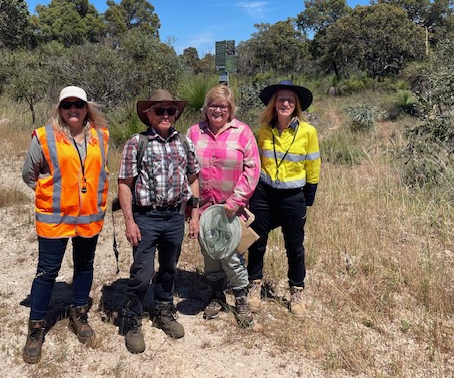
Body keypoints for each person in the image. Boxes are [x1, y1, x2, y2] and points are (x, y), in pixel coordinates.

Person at [21, 86, 110, 364]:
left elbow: (102, 172)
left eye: (79, 105)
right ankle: (36, 328)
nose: (73, 109)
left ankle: (79, 313)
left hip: (89, 217)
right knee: (47, 272)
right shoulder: (45, 136)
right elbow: (29, 174)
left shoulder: (100, 136)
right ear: (60, 108)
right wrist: (54, 195)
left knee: (85, 266)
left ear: (87, 108)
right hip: (55, 217)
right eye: (67, 105)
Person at [117, 89, 201, 354]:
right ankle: (132, 317)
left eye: (170, 111)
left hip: (175, 215)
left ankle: (164, 309)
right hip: (147, 217)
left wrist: (194, 215)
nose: (166, 115)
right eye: (160, 110)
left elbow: (193, 178)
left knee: (169, 268)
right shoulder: (136, 142)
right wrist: (129, 222)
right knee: (142, 273)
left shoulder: (184, 143)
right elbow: (124, 184)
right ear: (148, 114)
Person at [186, 84, 260, 327]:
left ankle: (240, 298)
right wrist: (192, 206)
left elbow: (252, 168)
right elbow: (186, 169)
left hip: (232, 207)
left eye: (223, 106)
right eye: (213, 105)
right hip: (204, 207)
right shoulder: (194, 132)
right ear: (206, 108)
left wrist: (236, 200)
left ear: (230, 109)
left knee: (231, 255)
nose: (217, 110)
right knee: (210, 252)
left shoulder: (243, 132)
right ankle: (216, 294)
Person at [246, 80, 320, 317]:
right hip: (264, 194)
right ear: (274, 104)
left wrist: (308, 198)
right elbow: (256, 161)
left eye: (290, 100)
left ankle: (296, 292)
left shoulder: (308, 132)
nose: (285, 103)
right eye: (281, 99)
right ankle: (254, 286)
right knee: (256, 242)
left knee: (295, 246)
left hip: (293, 197)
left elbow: (313, 164)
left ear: (296, 105)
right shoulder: (264, 130)